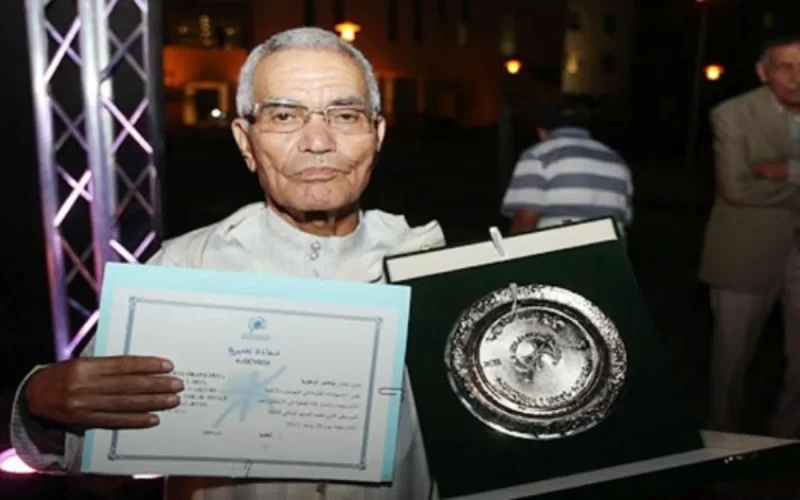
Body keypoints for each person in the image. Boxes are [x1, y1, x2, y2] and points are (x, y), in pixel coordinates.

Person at [10, 27, 445, 499]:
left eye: (344, 114)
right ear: (245, 140)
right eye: (284, 115)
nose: (318, 141)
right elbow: (84, 458)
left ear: (376, 133)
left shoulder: (433, 268)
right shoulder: (182, 272)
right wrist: (42, 402)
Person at [699, 33, 800, 437]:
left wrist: (790, 171)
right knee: (731, 359)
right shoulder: (733, 114)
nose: (797, 78)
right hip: (745, 253)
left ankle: (787, 439)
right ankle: (722, 442)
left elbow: (761, 182)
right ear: (763, 72)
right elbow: (736, 188)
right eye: (785, 67)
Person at [500, 98, 633, 235]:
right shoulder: (617, 161)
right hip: (610, 254)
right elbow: (624, 219)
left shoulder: (538, 156)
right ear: (585, 128)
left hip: (561, 254)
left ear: (541, 131)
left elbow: (524, 225)